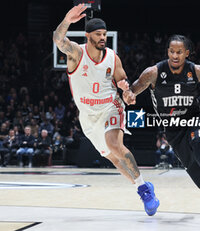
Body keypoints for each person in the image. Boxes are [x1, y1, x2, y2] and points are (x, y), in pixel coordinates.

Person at [52, 3, 159, 216]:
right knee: (113, 158)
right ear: (88, 35)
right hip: (88, 118)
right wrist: (66, 20)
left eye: (105, 34)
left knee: (114, 145)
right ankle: (142, 187)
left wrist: (127, 92)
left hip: (111, 106)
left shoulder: (112, 57)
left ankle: (145, 190)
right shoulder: (76, 53)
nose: (103, 37)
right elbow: (58, 39)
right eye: (99, 34)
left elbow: (122, 81)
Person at [123, 35, 200, 228]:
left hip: (194, 120)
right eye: (171, 51)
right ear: (167, 52)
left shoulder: (197, 71)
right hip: (172, 131)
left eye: (179, 52)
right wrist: (128, 95)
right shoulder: (153, 73)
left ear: (187, 53)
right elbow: (133, 90)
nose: (175, 56)